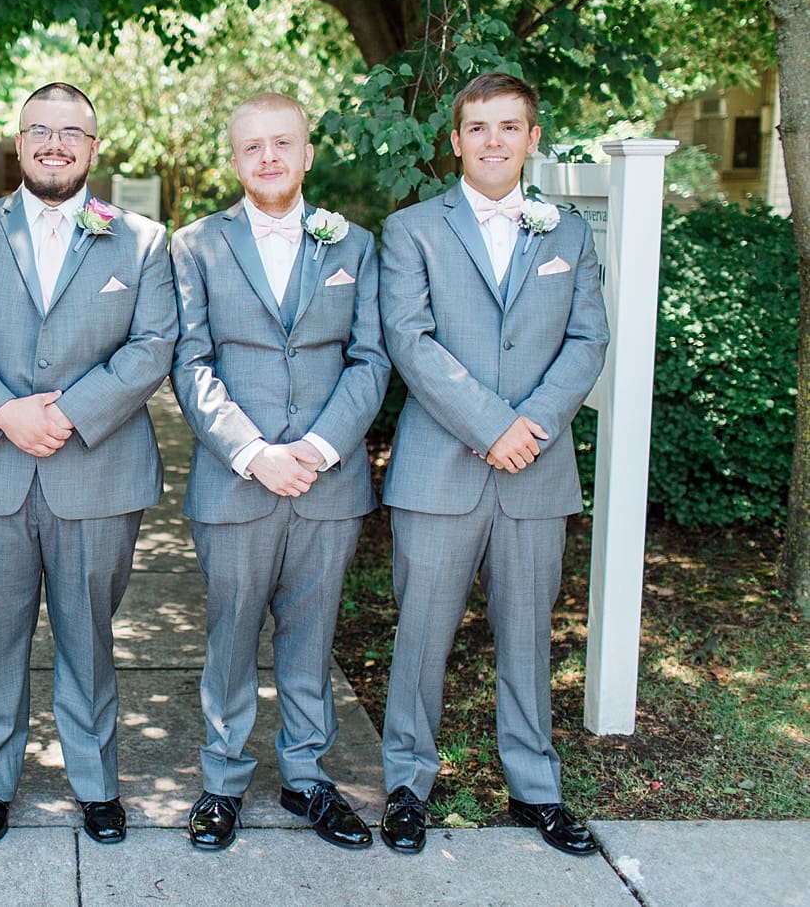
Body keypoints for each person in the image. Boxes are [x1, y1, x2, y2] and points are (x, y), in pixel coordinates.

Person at [0, 83, 176, 845]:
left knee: (89, 637)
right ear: (19, 141)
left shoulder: (141, 239)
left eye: (71, 132)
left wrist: (68, 412)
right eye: (40, 130)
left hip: (96, 470)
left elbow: (152, 343)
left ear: (94, 148)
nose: (54, 143)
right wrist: (4, 409)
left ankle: (95, 782)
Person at [377, 72, 609, 856]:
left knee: (526, 636)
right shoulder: (410, 230)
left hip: (534, 471)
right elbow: (409, 341)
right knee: (420, 636)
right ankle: (406, 785)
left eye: (509, 127)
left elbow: (586, 342)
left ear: (533, 137)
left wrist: (531, 428)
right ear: (454, 141)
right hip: (438, 469)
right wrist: (489, 427)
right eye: (476, 128)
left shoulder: (567, 234)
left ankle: (534, 788)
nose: (492, 141)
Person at [169, 92, 389, 850]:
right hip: (235, 478)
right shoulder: (194, 245)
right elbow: (189, 361)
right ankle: (222, 780)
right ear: (233, 160)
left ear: (306, 153)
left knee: (311, 631)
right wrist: (254, 452)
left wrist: (321, 448)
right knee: (229, 633)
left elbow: (369, 358)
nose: (267, 157)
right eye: (251, 146)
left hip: (328, 481)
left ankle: (306, 778)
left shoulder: (352, 245)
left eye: (281, 143)